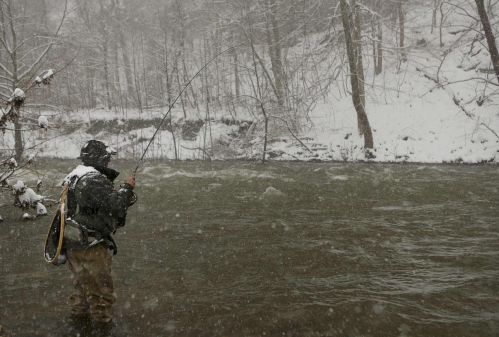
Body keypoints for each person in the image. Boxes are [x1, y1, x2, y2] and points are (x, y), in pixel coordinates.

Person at [62, 140, 136, 324]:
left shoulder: (74, 176)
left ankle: (78, 327)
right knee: (101, 296)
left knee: (80, 291)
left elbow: (92, 204)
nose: (108, 161)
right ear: (100, 159)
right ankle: (102, 328)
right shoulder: (93, 179)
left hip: (73, 242)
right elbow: (116, 207)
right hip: (91, 246)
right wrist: (127, 189)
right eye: (106, 158)